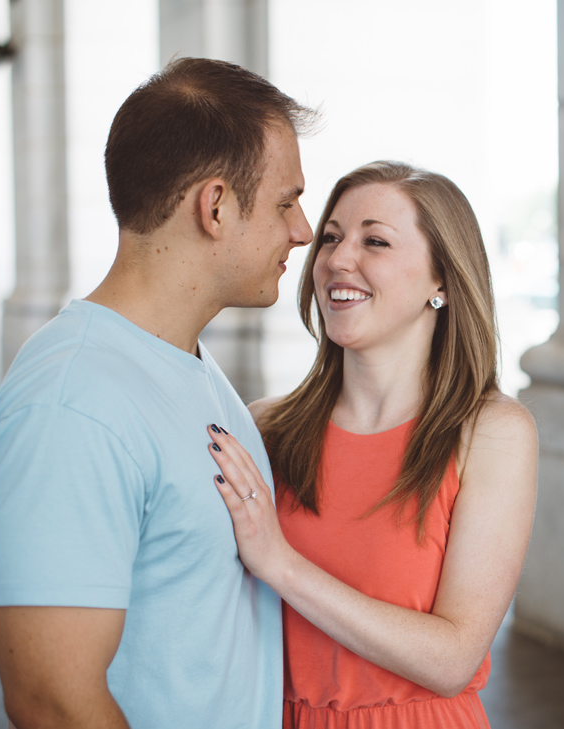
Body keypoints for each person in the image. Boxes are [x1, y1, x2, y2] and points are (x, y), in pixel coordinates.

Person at [0, 57, 316, 728]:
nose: (303, 230)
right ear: (217, 205)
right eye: (287, 201)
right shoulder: (74, 400)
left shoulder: (188, 366)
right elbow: (51, 699)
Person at [204, 161, 539, 727]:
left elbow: (453, 658)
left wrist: (280, 564)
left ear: (443, 281)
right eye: (331, 237)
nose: (336, 259)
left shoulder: (492, 433)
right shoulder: (264, 427)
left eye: (375, 241)